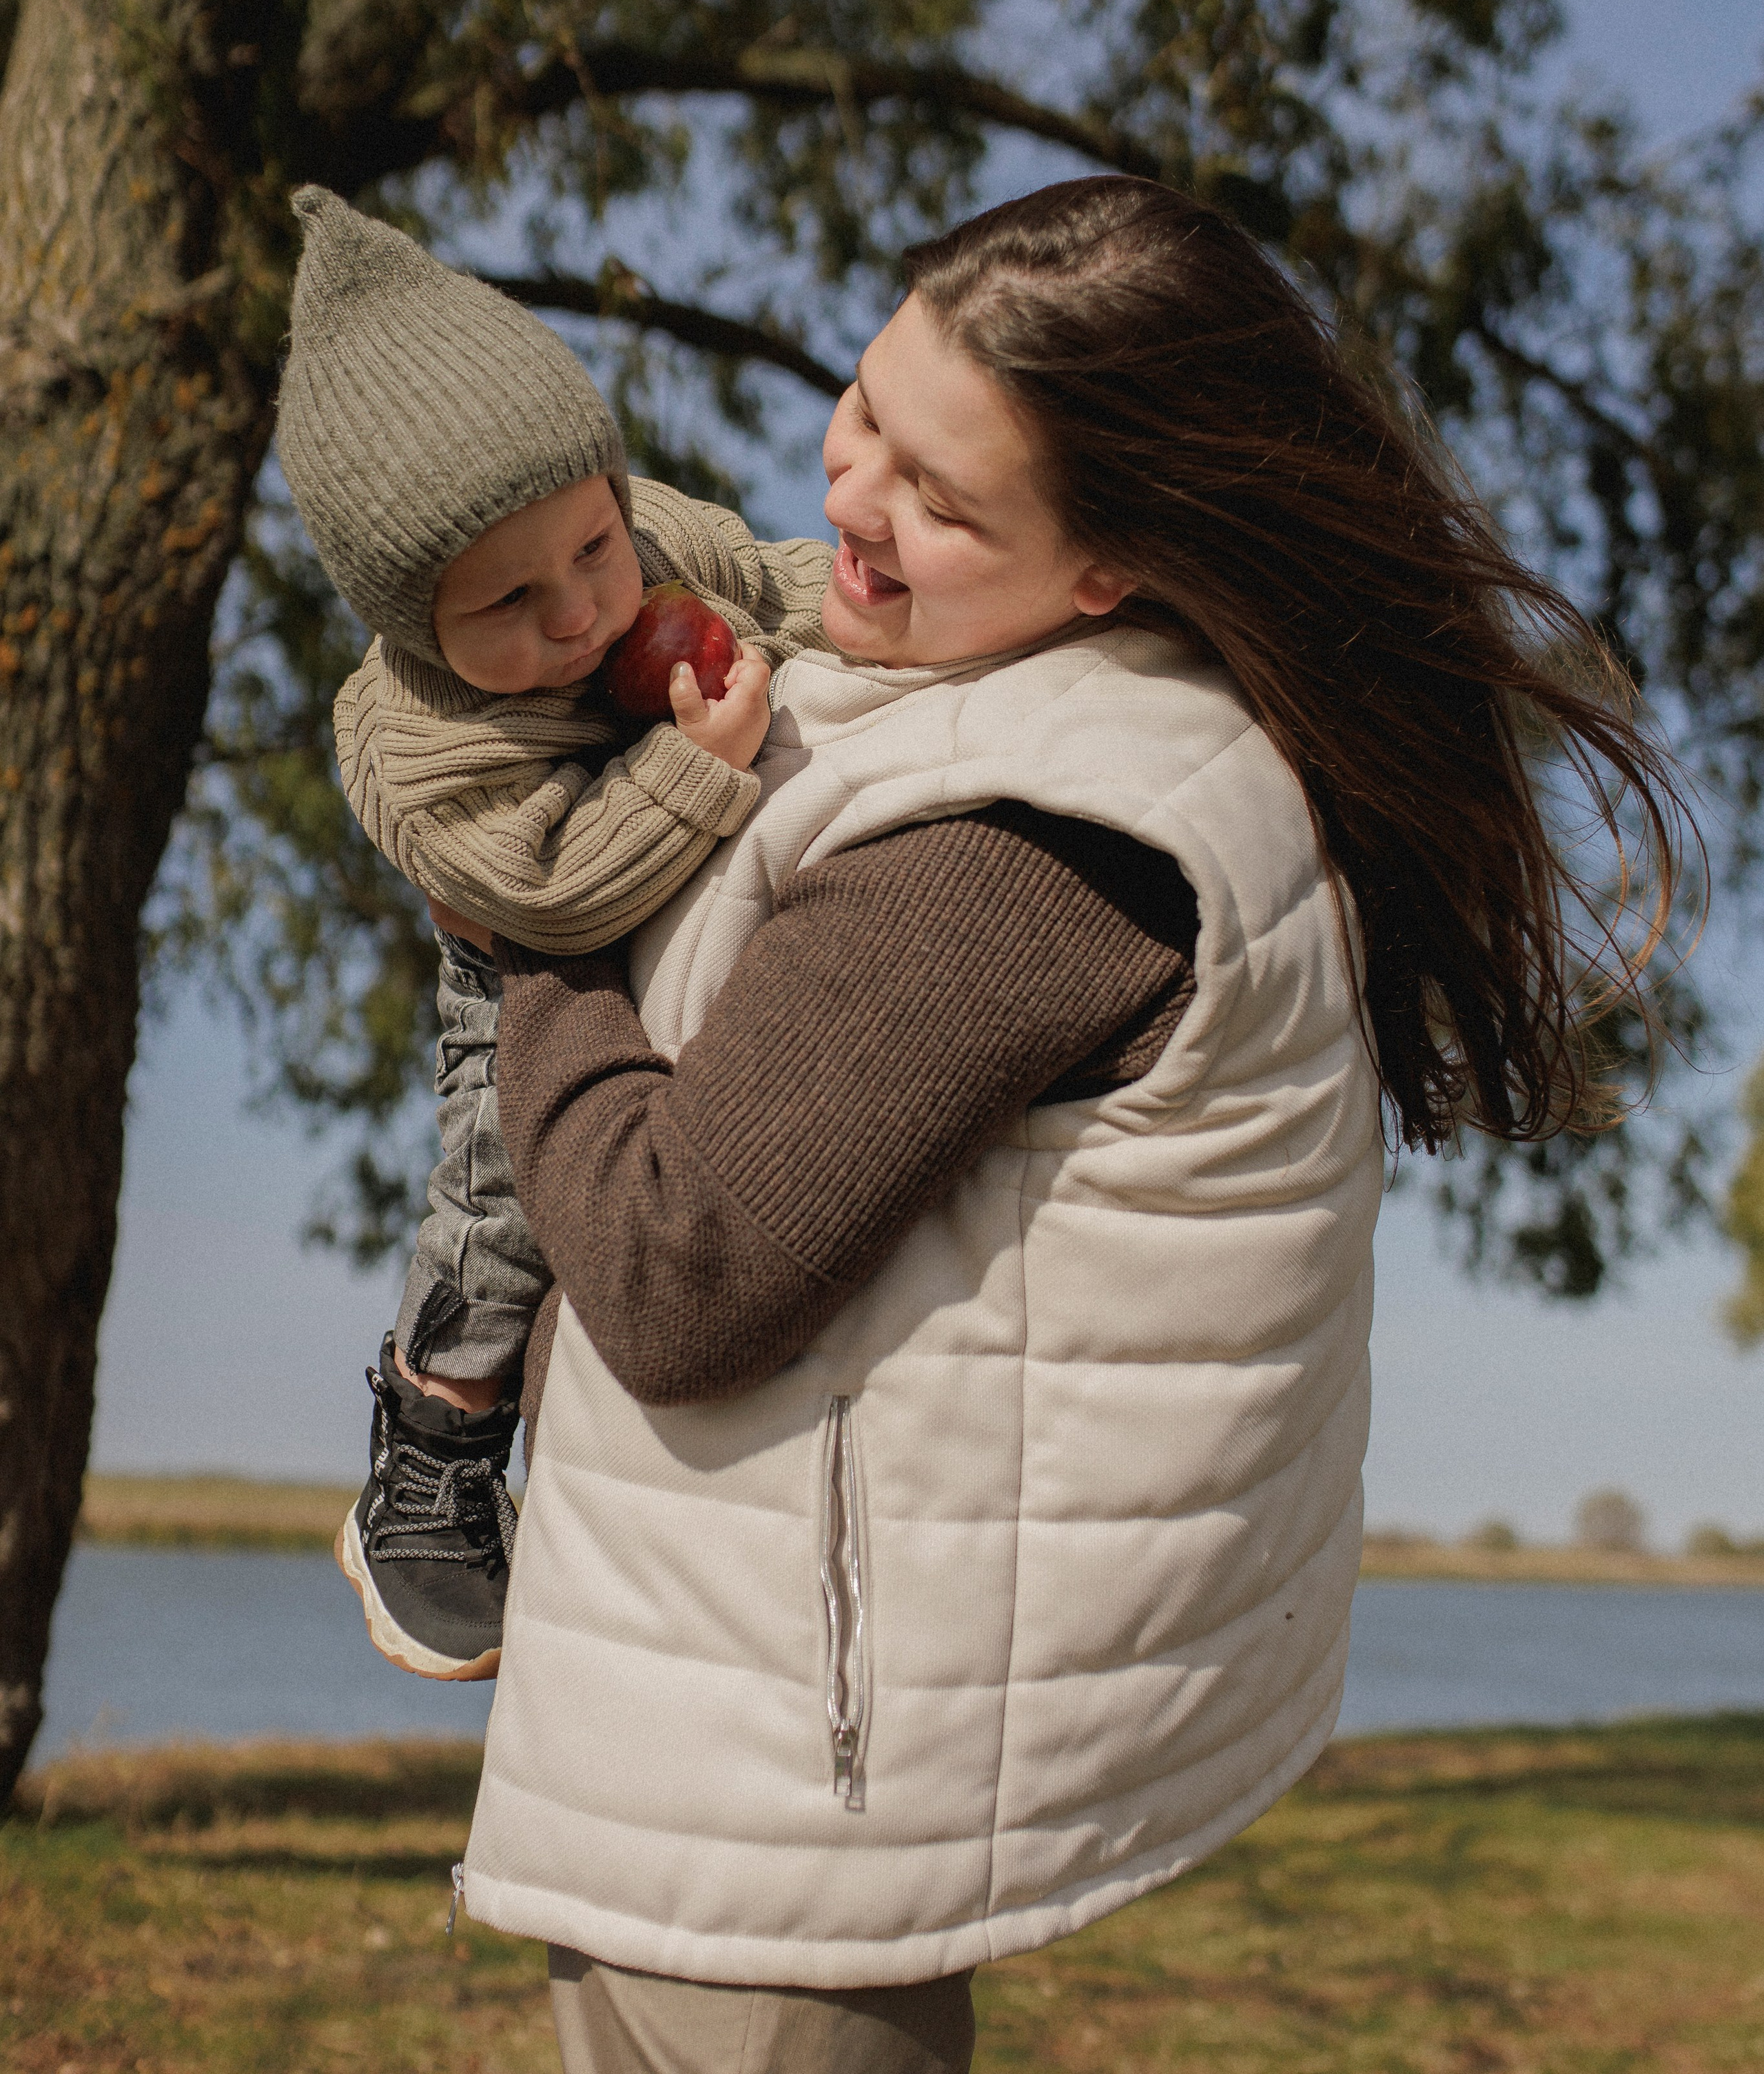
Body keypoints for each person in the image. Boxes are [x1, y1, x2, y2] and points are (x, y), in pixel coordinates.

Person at [453, 174, 1685, 2074]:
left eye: (946, 499)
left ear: (1110, 561)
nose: (854, 498)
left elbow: (675, 1266)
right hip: (738, 1723)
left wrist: (524, 914)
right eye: (872, 407)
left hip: (782, 1790)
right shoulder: (1055, 716)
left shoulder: (1032, 837)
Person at [274, 187, 831, 1684]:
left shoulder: (641, 537)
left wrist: (884, 620)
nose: (585, 610)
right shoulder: (414, 736)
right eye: (511, 602)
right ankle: (430, 1447)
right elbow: (553, 889)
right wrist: (695, 767)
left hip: (653, 849)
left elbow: (772, 581)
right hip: (524, 941)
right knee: (505, 1184)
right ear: (412, 624)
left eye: (592, 547)